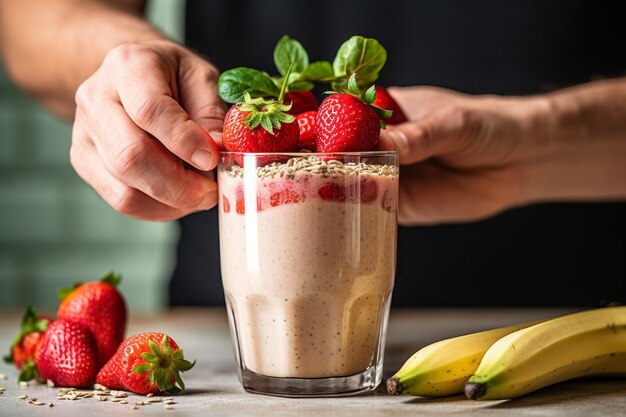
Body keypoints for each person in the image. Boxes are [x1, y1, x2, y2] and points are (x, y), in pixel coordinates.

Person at [1, 0, 625, 307]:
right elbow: (36, 19)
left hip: (584, 317)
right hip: (232, 327)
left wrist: (541, 132)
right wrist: (127, 63)